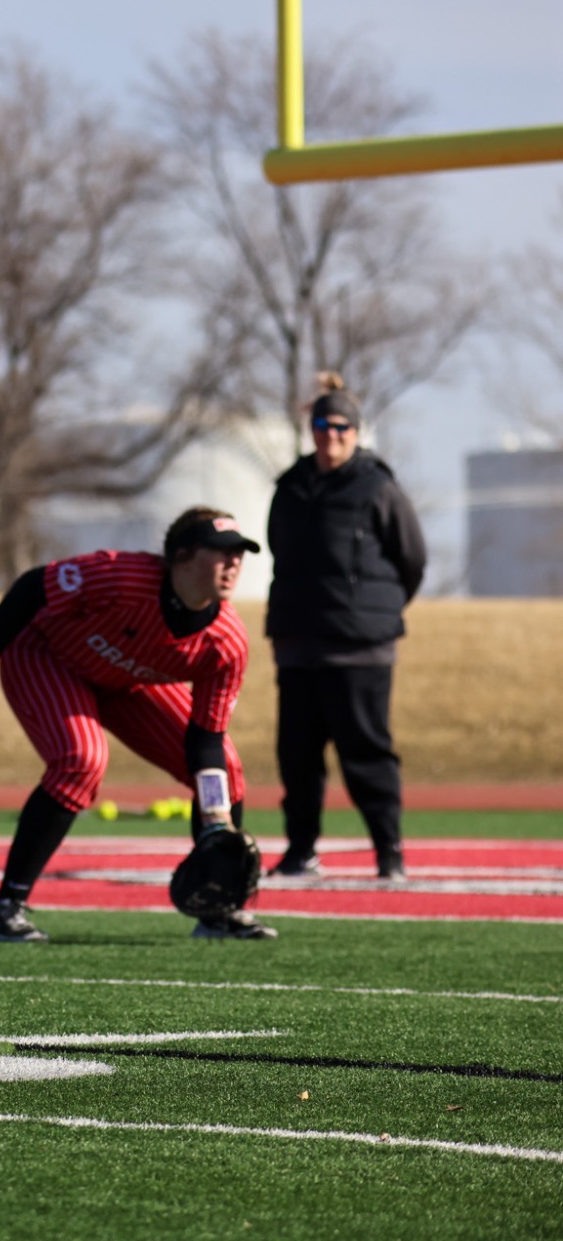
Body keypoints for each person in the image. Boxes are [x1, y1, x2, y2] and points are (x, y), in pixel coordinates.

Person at [0, 506, 277, 943]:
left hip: (126, 681)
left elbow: (207, 738)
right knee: (81, 761)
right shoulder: (122, 576)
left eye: (239, 553)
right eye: (220, 552)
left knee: (226, 773)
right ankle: (4, 909)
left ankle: (218, 911)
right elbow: (32, 587)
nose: (233, 562)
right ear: (182, 556)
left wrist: (216, 817)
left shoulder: (226, 641)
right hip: (47, 654)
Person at [265, 374, 427, 881]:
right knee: (297, 758)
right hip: (298, 645)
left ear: (356, 432)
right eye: (321, 425)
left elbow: (412, 558)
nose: (330, 435)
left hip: (361, 647)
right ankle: (300, 851)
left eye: (340, 427)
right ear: (309, 429)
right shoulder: (290, 487)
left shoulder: (378, 485)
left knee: (366, 753)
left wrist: (375, 612)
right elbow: (278, 550)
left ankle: (389, 851)